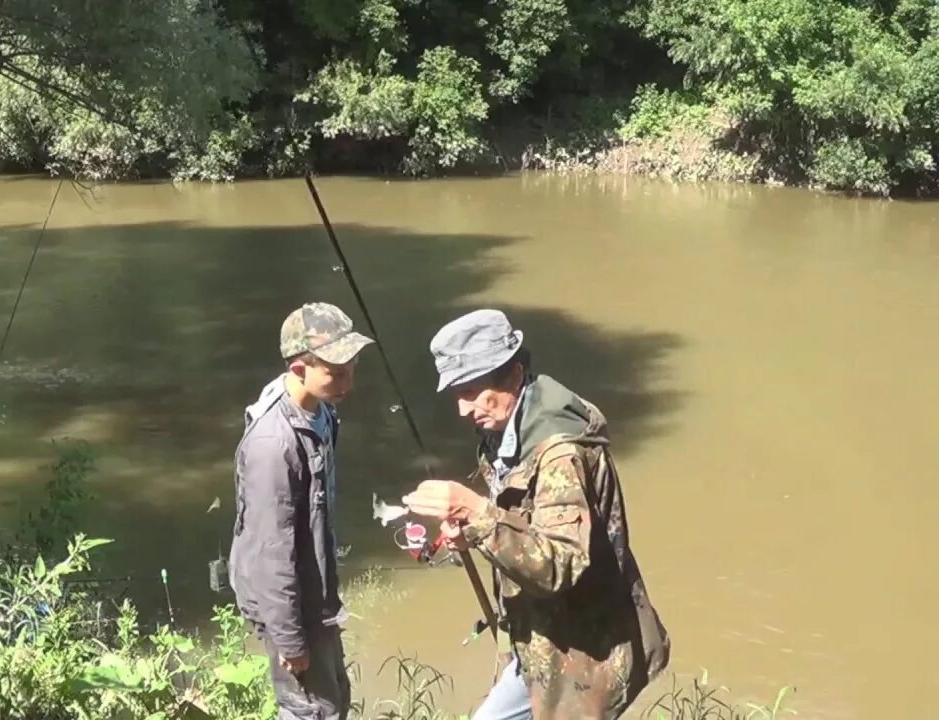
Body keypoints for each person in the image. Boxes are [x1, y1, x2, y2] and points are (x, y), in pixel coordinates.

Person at [403, 309, 671, 720]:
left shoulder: (560, 453)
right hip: (540, 639)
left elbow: (559, 564)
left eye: (471, 390)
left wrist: (475, 512)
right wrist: (474, 528)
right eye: (456, 393)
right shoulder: (505, 425)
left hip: (584, 653)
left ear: (512, 374)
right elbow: (519, 518)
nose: (462, 409)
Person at [228, 302, 375, 720]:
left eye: (352, 366)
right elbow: (271, 553)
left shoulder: (321, 410)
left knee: (334, 700)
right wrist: (290, 640)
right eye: (336, 371)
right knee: (310, 710)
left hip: (316, 597)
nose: (348, 381)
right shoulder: (274, 446)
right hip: (290, 607)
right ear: (298, 370)